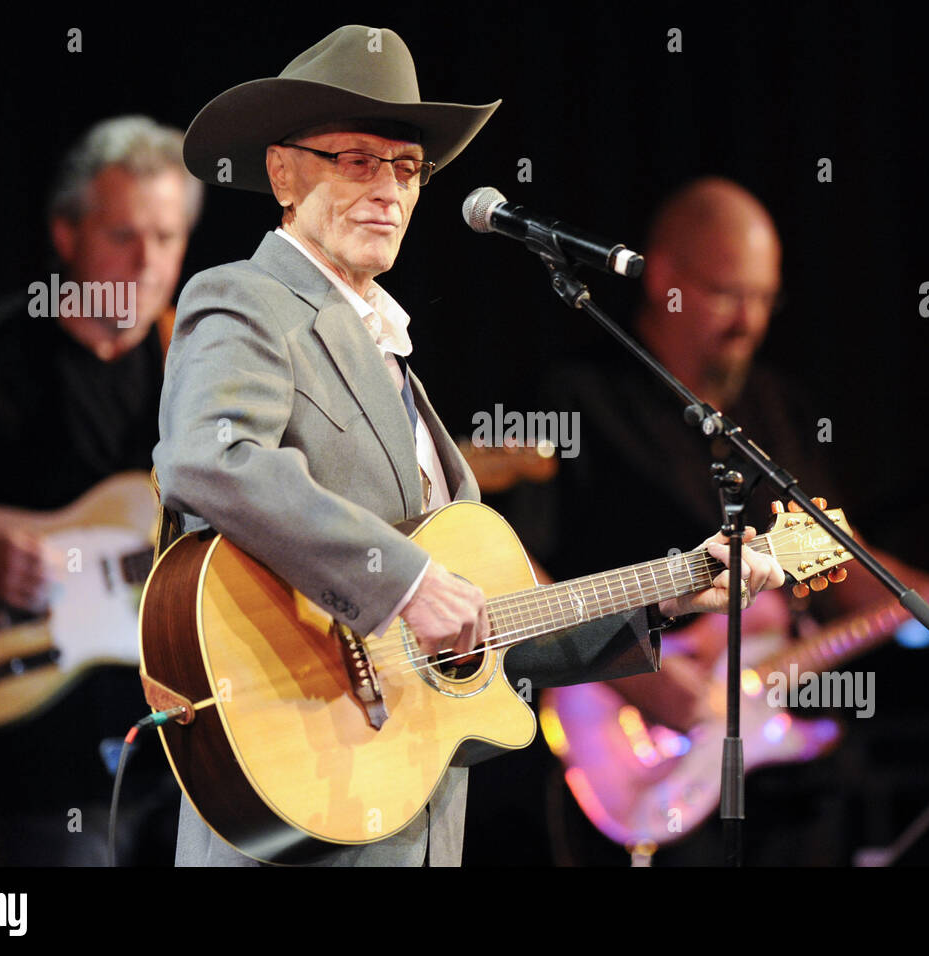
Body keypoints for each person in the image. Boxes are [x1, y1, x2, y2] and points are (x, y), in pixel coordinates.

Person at [154, 26, 785, 868]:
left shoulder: (391, 356)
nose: (387, 190)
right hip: (299, 798)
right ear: (283, 171)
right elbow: (211, 456)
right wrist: (404, 581)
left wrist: (674, 590)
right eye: (355, 161)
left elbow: (490, 628)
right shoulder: (245, 299)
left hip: (417, 823)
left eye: (406, 168)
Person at [476, 176, 929, 865]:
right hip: (632, 760)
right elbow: (508, 561)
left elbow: (824, 559)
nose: (749, 321)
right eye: (729, 294)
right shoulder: (575, 398)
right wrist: (629, 671)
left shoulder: (776, 409)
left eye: (765, 298)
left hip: (783, 777)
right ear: (665, 276)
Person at [0, 115, 204, 863]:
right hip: (41, 748)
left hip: (190, 744)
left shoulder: (199, 376)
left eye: (166, 237)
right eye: (123, 234)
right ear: (66, 234)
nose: (146, 262)